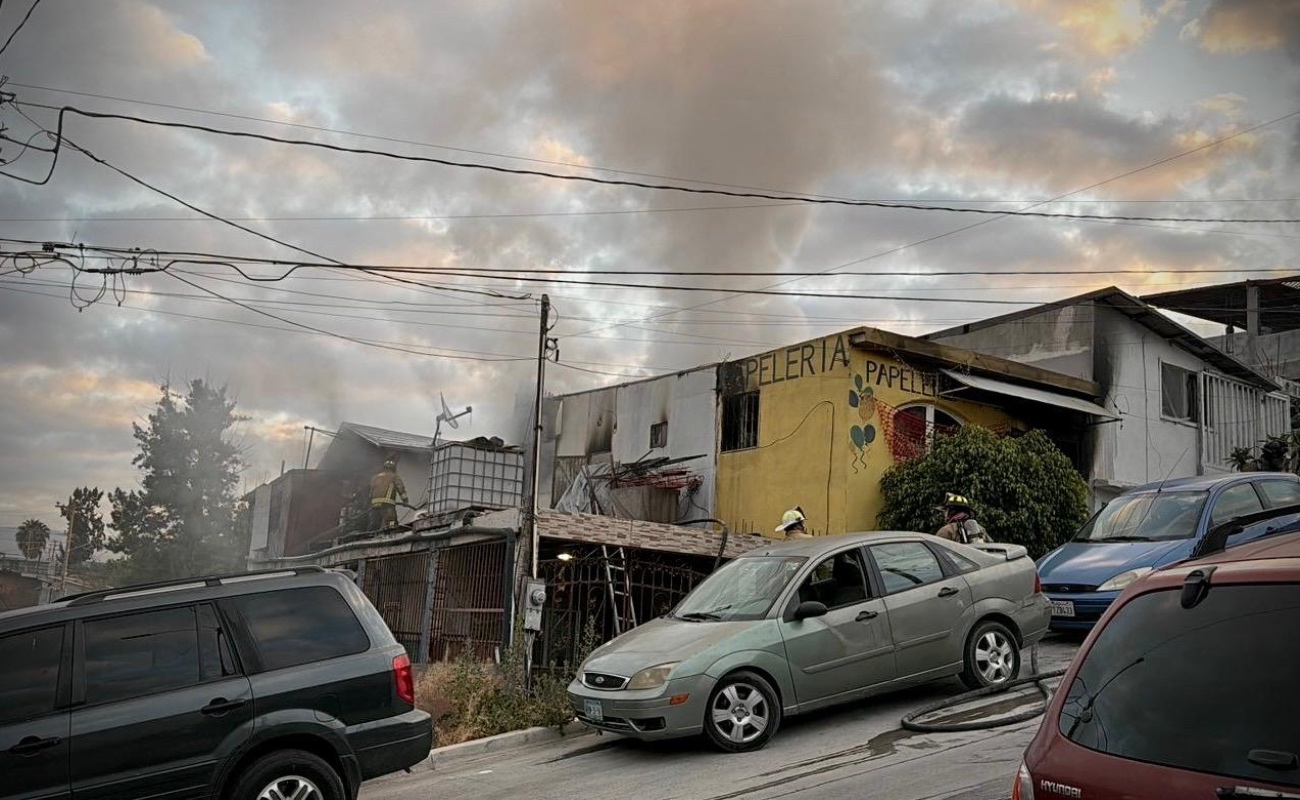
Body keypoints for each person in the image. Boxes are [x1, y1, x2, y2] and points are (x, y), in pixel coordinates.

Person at [369, 459, 409, 532]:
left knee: (375, 524)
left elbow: (370, 493)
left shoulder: (375, 478)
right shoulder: (394, 477)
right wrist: (405, 501)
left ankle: (370, 536)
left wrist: (371, 504)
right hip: (387, 505)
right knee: (391, 523)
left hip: (375, 506)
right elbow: (400, 488)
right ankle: (392, 534)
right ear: (393, 468)